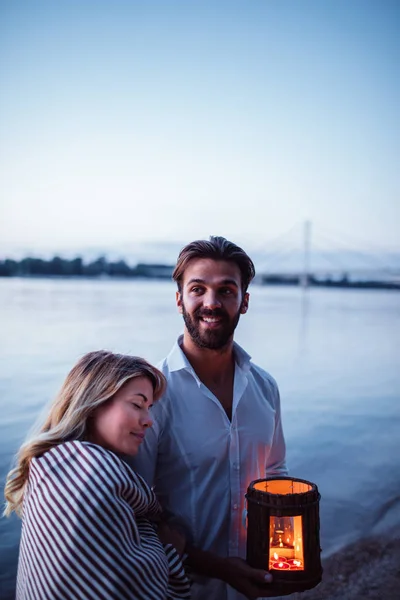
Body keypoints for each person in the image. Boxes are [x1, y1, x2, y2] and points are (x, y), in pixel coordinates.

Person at [132, 236, 288, 600]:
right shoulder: (150, 395)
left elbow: (276, 476)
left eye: (226, 290)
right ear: (178, 299)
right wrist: (218, 568)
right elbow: (135, 510)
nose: (211, 303)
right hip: (179, 588)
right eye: (197, 289)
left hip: (257, 583)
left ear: (244, 301)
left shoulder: (266, 387)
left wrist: (293, 549)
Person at [4, 351, 190, 600]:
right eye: (137, 404)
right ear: (94, 404)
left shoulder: (50, 465)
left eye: (149, 408)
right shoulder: (93, 475)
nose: (149, 421)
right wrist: (170, 552)